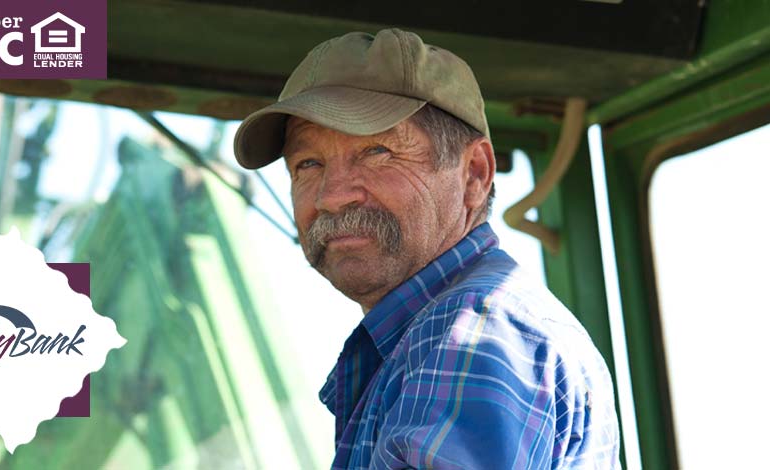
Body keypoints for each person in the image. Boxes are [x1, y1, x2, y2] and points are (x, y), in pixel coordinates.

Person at [233, 28, 620, 469]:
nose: (331, 195)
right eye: (308, 164)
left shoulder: (472, 335)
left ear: (474, 174)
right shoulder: (433, 337)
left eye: (377, 151)